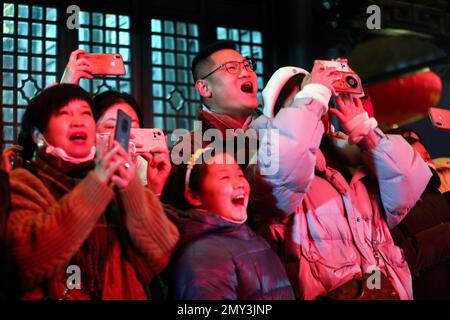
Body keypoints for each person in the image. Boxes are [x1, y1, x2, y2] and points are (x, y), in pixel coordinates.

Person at [247, 66, 432, 300]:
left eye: (322, 99)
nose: (319, 108)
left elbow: (407, 188)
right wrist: (312, 98)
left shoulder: (354, 157)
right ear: (279, 113)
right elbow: (285, 171)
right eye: (304, 100)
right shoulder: (265, 158)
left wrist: (366, 132)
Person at [7, 84, 179, 299]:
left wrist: (131, 189)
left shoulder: (121, 185)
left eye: (85, 113)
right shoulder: (23, 183)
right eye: (64, 114)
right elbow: (24, 260)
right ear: (38, 135)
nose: (78, 121)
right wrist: (97, 185)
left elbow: (160, 255)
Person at [162, 147, 294, 300]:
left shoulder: (244, 235)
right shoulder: (204, 256)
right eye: (225, 177)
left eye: (240, 174)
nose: (239, 183)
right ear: (194, 196)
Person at [60, 49, 172, 196]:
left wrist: (156, 189)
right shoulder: (73, 166)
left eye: (131, 127)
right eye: (111, 126)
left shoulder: (146, 169)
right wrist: (66, 87)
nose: (122, 135)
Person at [385, 127, 450, 299]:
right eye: (421, 155)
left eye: (428, 154)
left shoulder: (435, 194)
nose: (428, 158)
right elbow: (391, 262)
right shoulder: (390, 202)